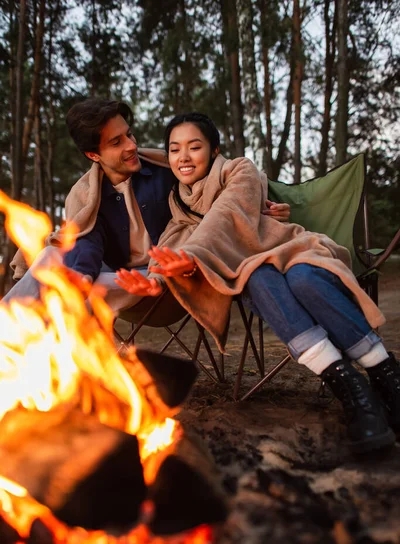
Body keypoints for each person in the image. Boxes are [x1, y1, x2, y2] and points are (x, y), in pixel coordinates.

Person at [116, 111, 400, 455]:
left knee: (304, 278)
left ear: (215, 150)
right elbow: (173, 239)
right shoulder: (179, 202)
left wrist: (193, 253)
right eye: (174, 150)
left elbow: (227, 213)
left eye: (194, 147)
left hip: (292, 250)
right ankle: (351, 387)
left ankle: (387, 377)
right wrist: (156, 280)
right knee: (257, 277)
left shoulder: (240, 171)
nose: (184, 157)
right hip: (253, 269)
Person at [4, 98, 289, 318]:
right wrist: (81, 275)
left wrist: (259, 203)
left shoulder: (167, 170)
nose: (131, 146)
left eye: (129, 135)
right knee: (52, 254)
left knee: (74, 289)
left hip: (163, 278)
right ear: (93, 155)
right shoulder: (86, 195)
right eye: (117, 142)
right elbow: (88, 237)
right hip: (116, 275)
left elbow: (221, 181)